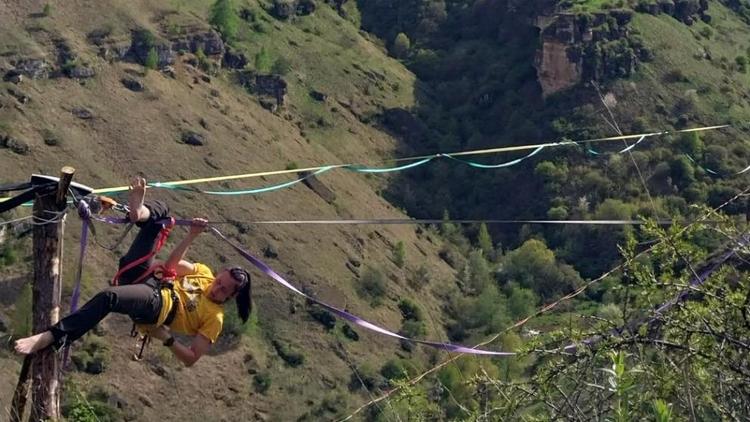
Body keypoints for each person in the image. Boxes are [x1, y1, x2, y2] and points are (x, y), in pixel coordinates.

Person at [14, 177, 252, 367]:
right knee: (163, 216)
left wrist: (166, 338)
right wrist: (191, 235)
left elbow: (191, 358)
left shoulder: (214, 318)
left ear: (230, 297)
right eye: (219, 281)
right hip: (146, 279)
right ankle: (139, 213)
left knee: (109, 297)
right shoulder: (203, 273)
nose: (216, 287)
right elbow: (170, 267)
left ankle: (52, 337)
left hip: (157, 306)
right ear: (218, 274)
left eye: (223, 290)